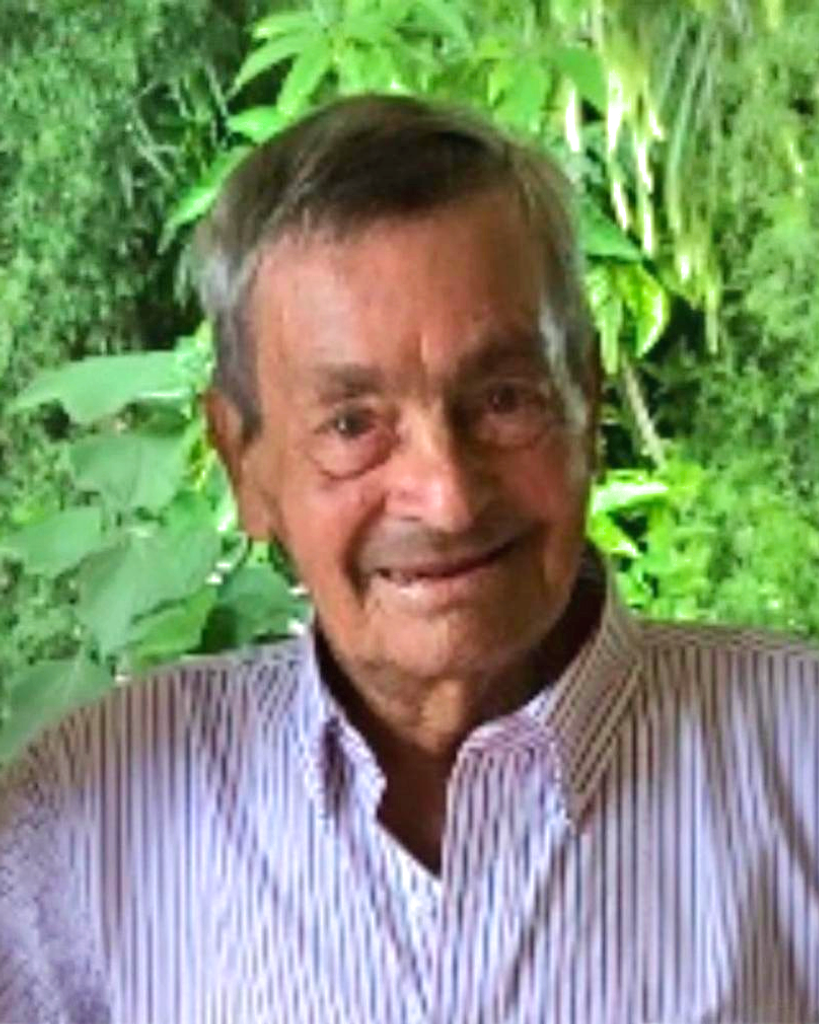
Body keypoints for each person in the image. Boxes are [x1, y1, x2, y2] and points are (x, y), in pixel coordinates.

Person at [1, 93, 817, 1024]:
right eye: (353, 424)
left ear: (585, 404)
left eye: (503, 399)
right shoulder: (84, 824)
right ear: (244, 463)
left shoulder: (799, 758)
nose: (447, 497)